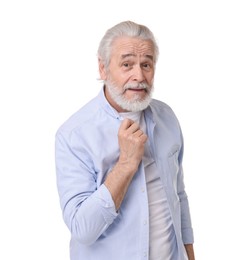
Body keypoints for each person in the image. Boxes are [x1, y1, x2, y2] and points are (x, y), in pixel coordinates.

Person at [55, 20, 195, 260]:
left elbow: (178, 194)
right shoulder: (73, 135)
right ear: (103, 68)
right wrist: (126, 165)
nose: (138, 75)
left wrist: (190, 253)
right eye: (127, 64)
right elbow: (83, 230)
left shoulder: (167, 117)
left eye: (146, 64)